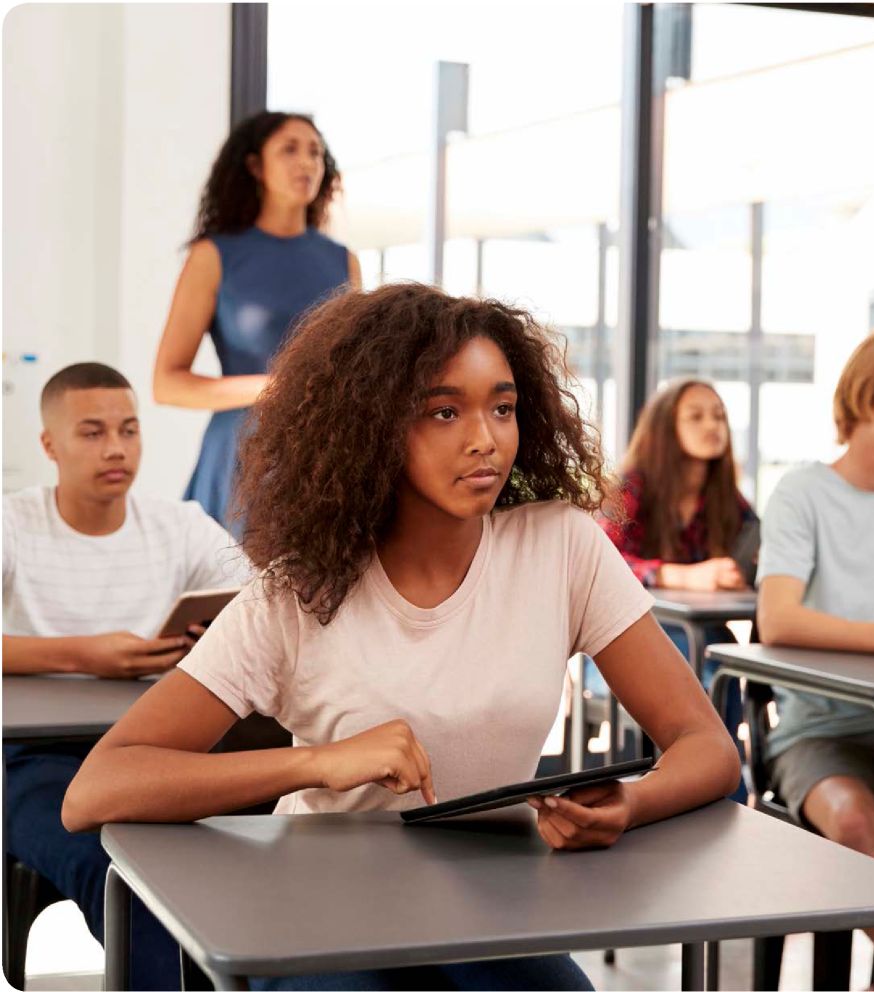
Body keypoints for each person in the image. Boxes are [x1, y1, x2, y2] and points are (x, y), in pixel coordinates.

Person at [64, 285, 740, 992]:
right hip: (321, 916)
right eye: (443, 412)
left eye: (501, 408)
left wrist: (629, 805)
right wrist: (317, 764)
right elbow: (98, 788)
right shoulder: (298, 592)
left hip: (489, 911)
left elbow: (707, 749)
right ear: (372, 427)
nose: (484, 437)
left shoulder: (562, 548)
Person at [3, 362, 250, 991]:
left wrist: (211, 642)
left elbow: (261, 603)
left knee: (272, 853)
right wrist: (83, 656)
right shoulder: (13, 525)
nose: (116, 448)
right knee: (119, 875)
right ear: (49, 445)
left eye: (130, 429)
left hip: (163, 752)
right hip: (37, 759)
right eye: (92, 432)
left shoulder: (180, 524)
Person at [757, 328, 874, 987]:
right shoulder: (802, 492)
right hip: (821, 733)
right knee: (856, 825)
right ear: (862, 395)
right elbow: (777, 617)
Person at [153, 111, 361, 530]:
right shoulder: (213, 256)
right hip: (240, 458)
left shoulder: (343, 261)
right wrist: (275, 388)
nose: (306, 162)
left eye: (316, 152)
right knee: (235, 591)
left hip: (326, 457)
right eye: (289, 149)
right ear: (254, 166)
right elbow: (167, 383)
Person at [595, 378, 757, 801]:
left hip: (703, 641)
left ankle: (720, 796)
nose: (712, 426)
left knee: (722, 667)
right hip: (625, 647)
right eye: (697, 416)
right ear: (666, 427)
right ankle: (720, 798)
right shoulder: (631, 489)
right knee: (706, 668)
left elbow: (762, 557)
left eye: (719, 416)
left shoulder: (728, 500)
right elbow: (598, 563)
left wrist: (740, 573)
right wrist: (679, 575)